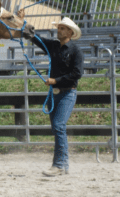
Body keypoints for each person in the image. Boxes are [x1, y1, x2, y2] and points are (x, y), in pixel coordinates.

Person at [22, 15, 84, 176]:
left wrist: (55, 80)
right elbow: (37, 39)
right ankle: (63, 165)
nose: (59, 30)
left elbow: (77, 73)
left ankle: (59, 165)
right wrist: (23, 23)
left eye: (62, 28)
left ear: (70, 32)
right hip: (54, 95)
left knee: (58, 126)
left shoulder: (76, 51)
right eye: (59, 28)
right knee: (58, 129)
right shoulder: (54, 46)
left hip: (67, 93)